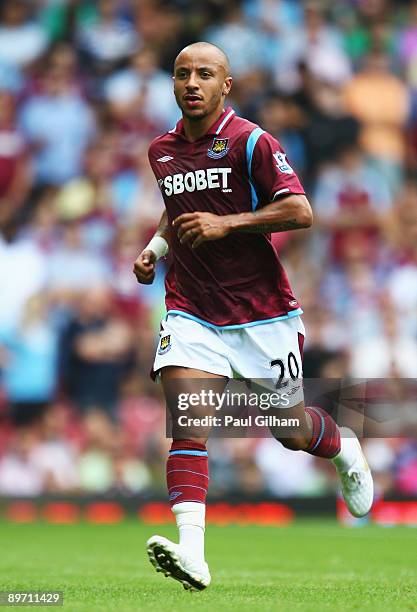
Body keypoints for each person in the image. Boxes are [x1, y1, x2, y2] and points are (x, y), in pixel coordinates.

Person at [133, 42, 373, 591]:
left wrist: (228, 224)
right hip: (192, 309)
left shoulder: (251, 141)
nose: (192, 82)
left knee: (288, 429)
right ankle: (192, 553)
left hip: (262, 315)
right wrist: (155, 248)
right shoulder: (161, 150)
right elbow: (176, 213)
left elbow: (300, 210)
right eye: (182, 74)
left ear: (226, 86)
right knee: (188, 419)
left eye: (205, 74)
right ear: (173, 84)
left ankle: (345, 448)